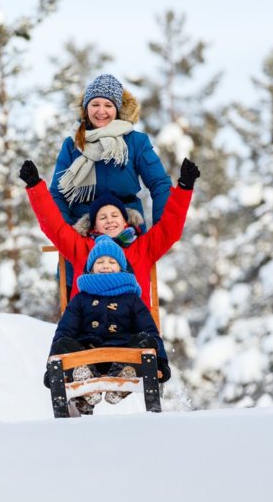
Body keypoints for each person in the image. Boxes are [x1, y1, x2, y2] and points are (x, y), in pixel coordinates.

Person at [18, 157, 200, 310]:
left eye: (115, 215)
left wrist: (184, 187)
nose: (110, 220)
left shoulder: (143, 247)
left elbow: (170, 228)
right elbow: (54, 226)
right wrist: (35, 186)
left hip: (133, 328)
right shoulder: (81, 247)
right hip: (87, 328)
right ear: (94, 227)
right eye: (102, 217)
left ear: (125, 221)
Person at [41, 236, 169, 416]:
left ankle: (124, 377)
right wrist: (52, 367)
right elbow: (64, 331)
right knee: (63, 342)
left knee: (145, 340)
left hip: (123, 355)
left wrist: (162, 363)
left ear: (121, 267)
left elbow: (150, 330)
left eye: (112, 261)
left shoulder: (131, 298)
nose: (105, 265)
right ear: (91, 267)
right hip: (87, 358)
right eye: (99, 261)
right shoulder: (80, 299)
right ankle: (86, 383)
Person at [49, 73, 172, 231]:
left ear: (118, 109)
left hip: (128, 227)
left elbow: (159, 183)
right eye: (95, 104)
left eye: (108, 105)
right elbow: (57, 192)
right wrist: (66, 234)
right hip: (83, 230)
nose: (101, 111)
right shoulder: (72, 144)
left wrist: (162, 228)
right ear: (86, 108)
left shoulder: (136, 141)